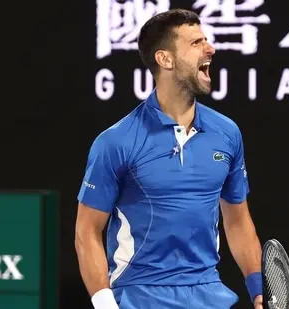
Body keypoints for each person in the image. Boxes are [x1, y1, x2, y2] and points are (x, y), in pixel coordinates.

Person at [74, 9, 263, 309]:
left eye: (207, 40)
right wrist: (105, 304)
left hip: (209, 294)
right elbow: (87, 231)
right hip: (139, 297)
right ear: (165, 59)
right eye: (196, 43)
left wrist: (258, 289)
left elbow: (238, 221)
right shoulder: (115, 142)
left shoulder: (227, 134)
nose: (210, 48)